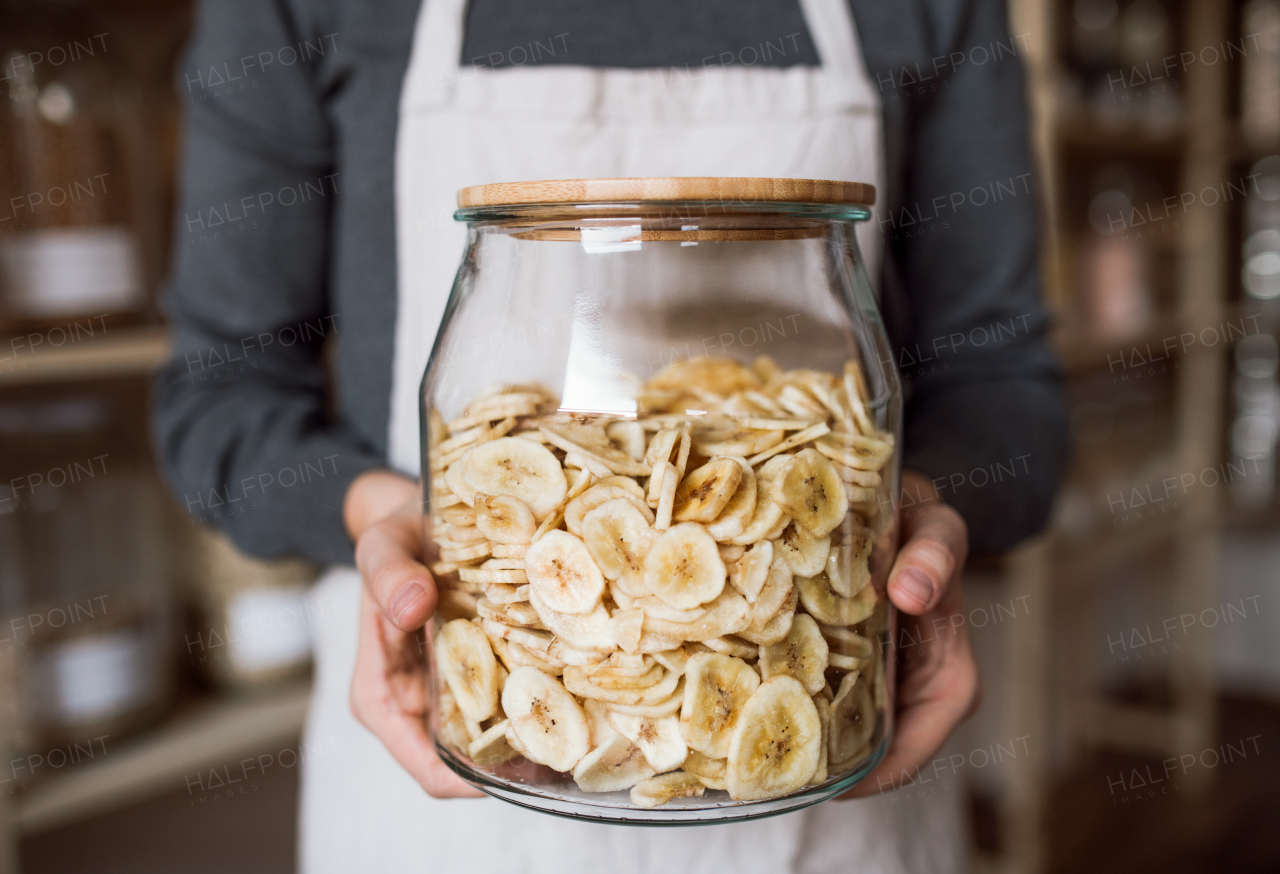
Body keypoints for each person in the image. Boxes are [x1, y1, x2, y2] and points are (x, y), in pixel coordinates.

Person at [153, 0, 1067, 871]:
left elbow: (1004, 387)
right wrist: (384, 512)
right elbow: (219, 397)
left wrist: (924, 510)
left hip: (827, 777)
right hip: (454, 780)